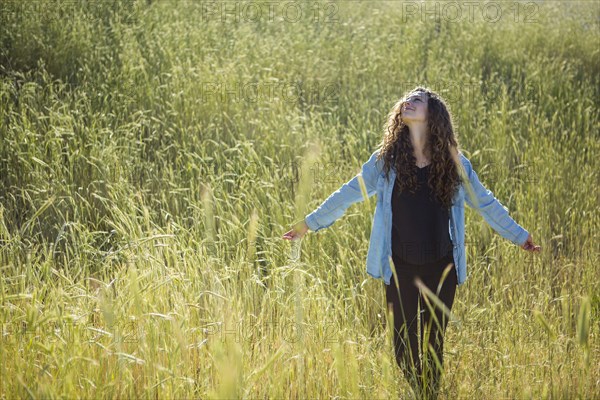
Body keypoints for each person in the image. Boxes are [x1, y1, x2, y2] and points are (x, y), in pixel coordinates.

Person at [282, 87, 541, 399]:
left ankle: (428, 395)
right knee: (403, 349)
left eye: (418, 100)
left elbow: (485, 203)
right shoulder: (386, 161)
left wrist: (519, 235)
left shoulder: (454, 163)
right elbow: (349, 193)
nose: (409, 102)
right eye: (407, 99)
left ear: (433, 115)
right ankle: (422, 393)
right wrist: (309, 223)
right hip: (400, 267)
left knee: (434, 346)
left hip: (441, 266)